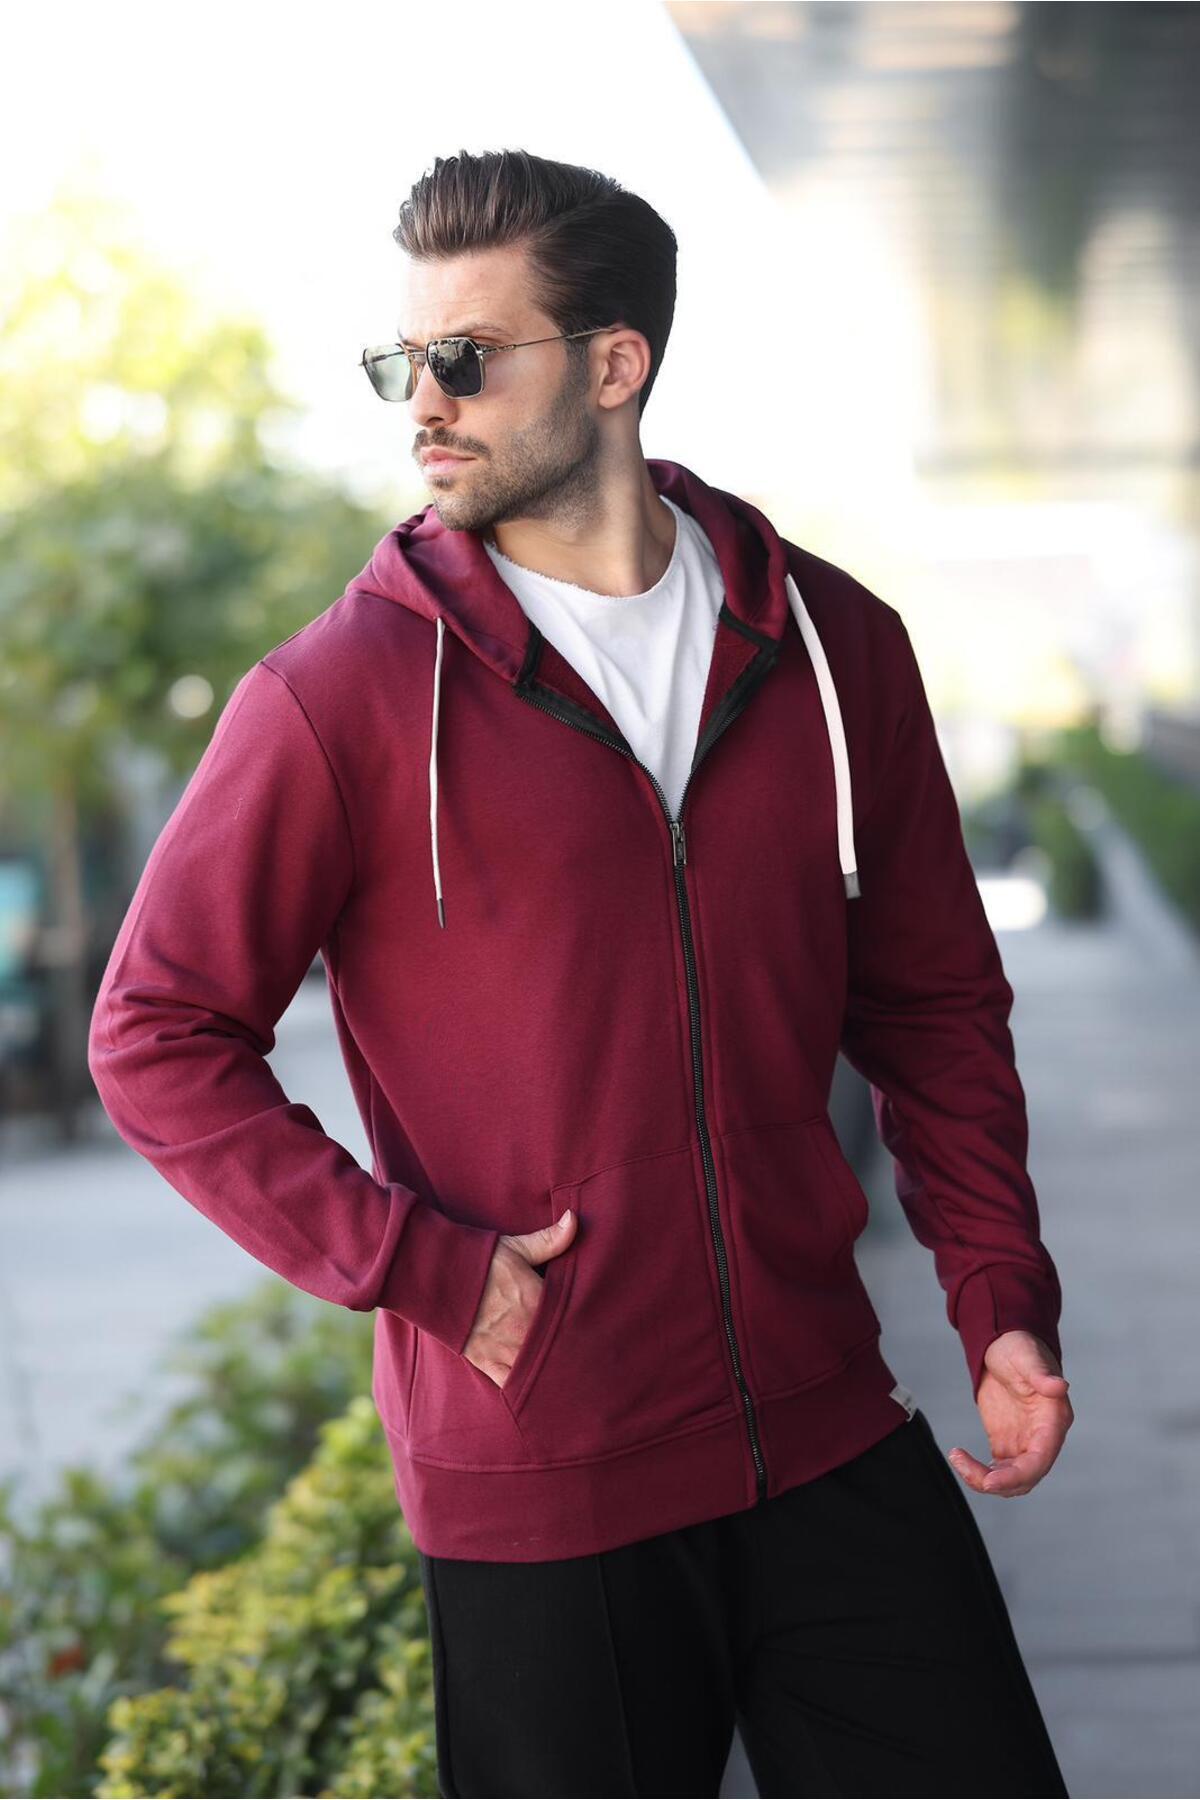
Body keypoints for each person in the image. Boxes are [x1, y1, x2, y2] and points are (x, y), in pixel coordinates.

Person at [88, 148, 1074, 1798]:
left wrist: (999, 1294)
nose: (426, 401)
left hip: (827, 1423)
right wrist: (422, 1268)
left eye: (469, 357)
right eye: (406, 361)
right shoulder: (340, 696)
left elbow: (933, 1007)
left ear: (616, 364)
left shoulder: (834, 651)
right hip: (545, 1479)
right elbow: (155, 1032)